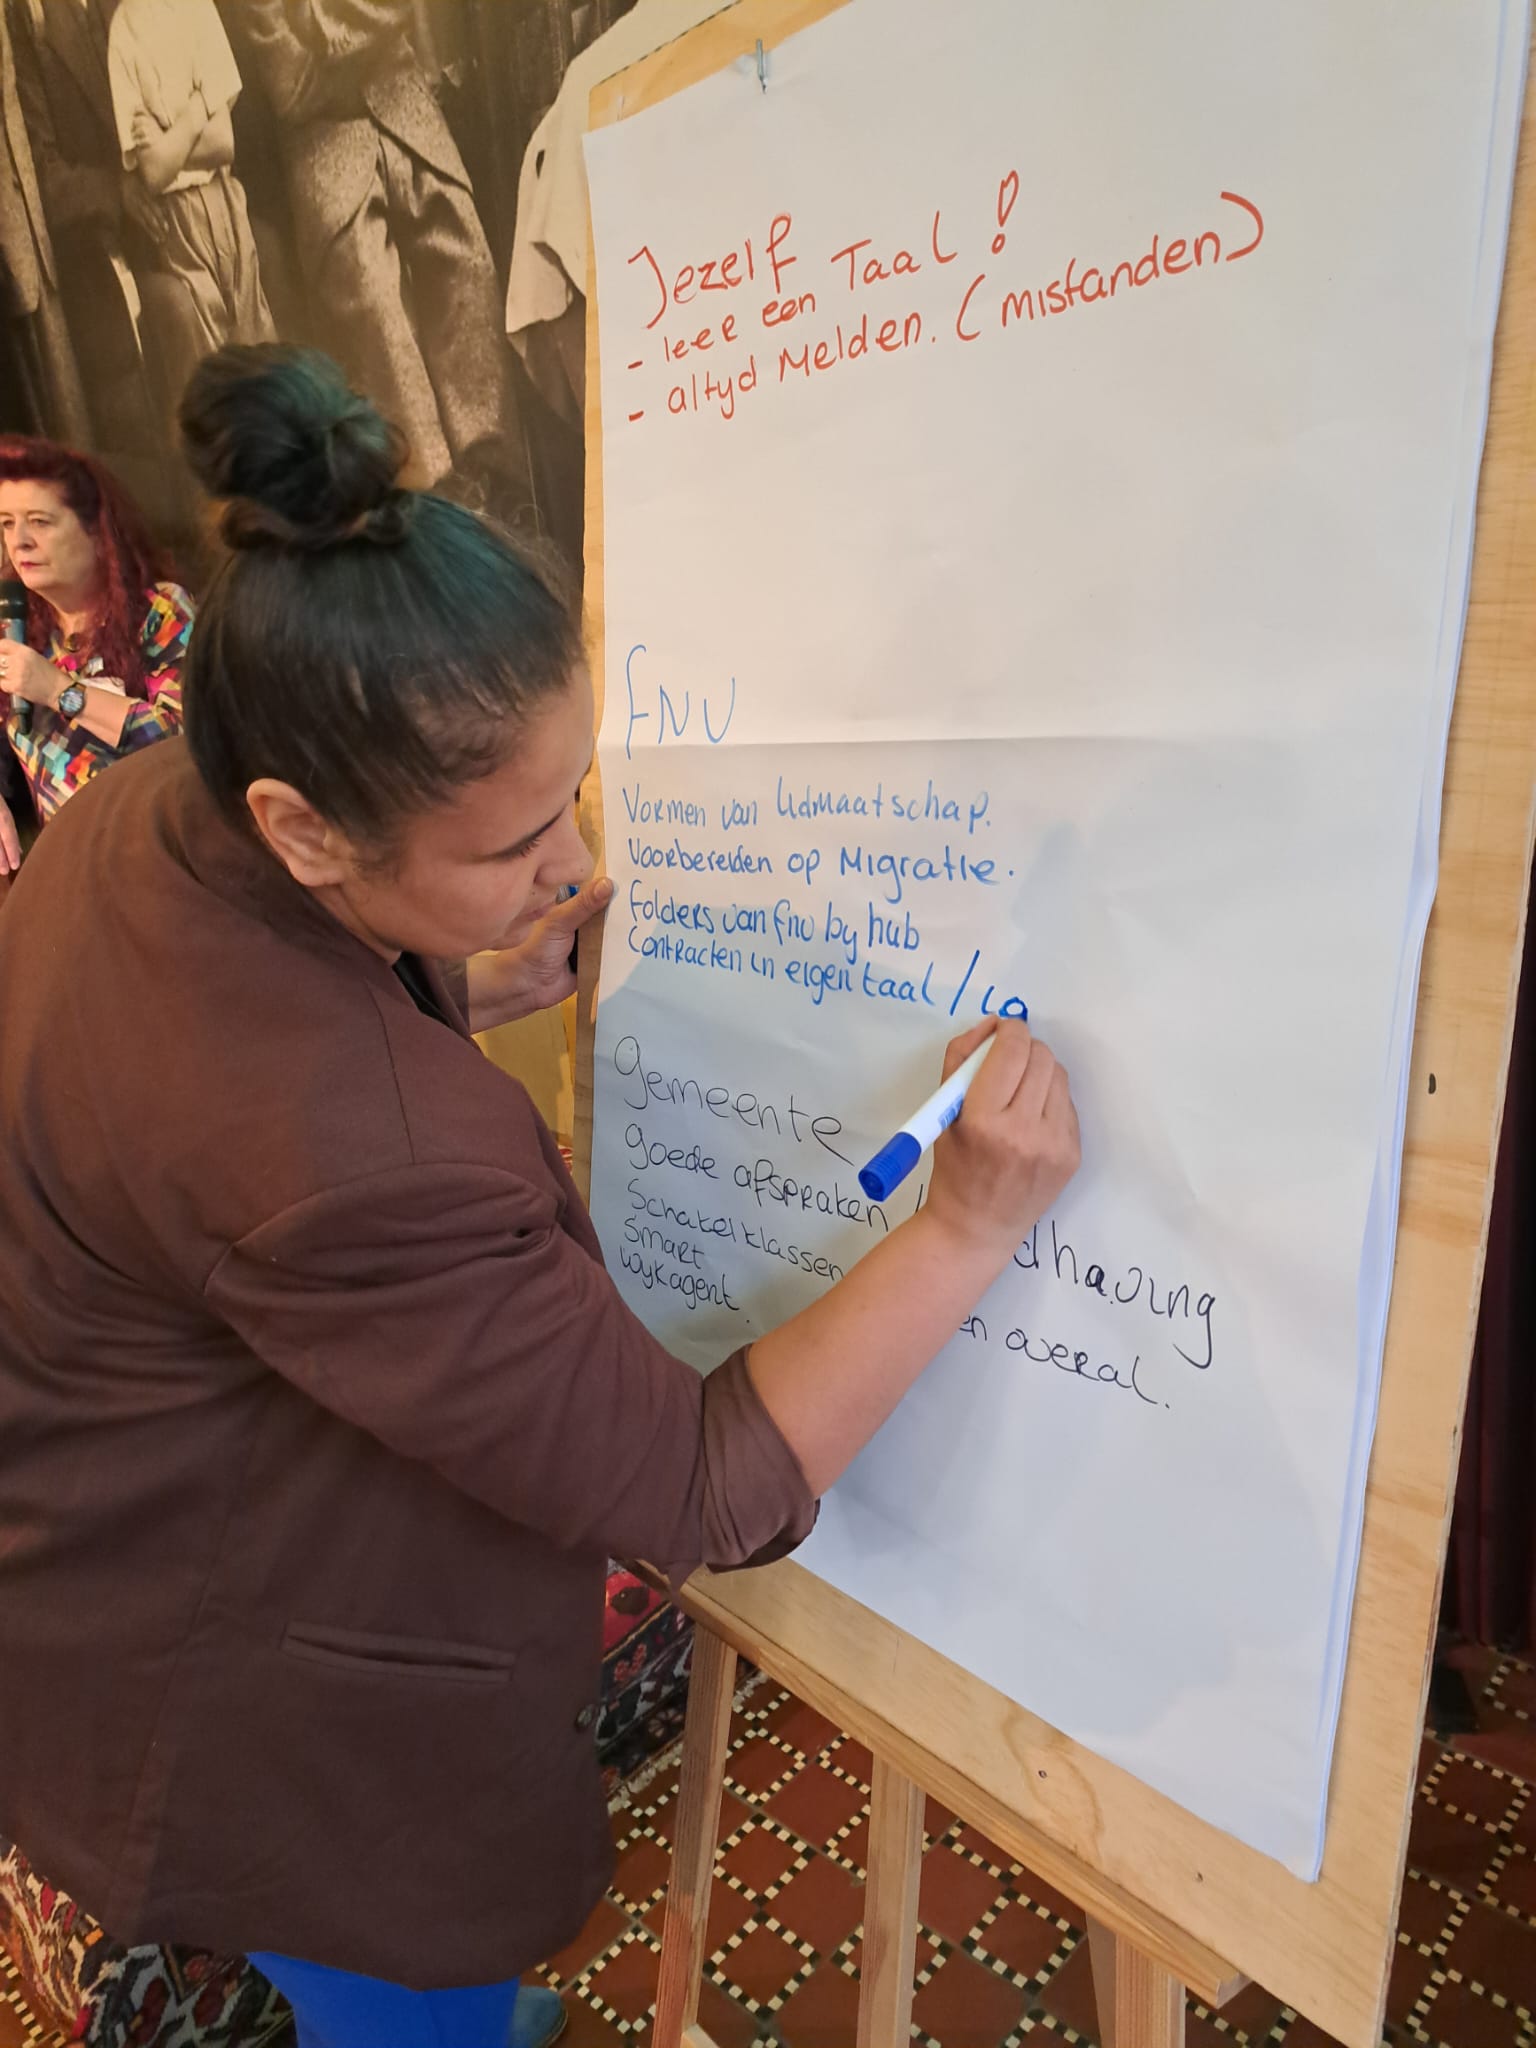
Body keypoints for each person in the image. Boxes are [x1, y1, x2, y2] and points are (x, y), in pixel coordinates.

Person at [0, 346, 1081, 2048]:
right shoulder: (362, 1161)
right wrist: (965, 1226)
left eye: (569, 796)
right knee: (400, 1998)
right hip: (237, 1690)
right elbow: (704, 1484)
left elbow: (252, 1049)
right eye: (510, 850)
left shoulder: (142, 803)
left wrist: (449, 971)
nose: (575, 867)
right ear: (305, 827)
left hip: (99, 1538)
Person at [0, 436, 192, 873]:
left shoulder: (160, 610)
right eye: (7, 524)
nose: (19, 542)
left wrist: (59, 691)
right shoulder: (15, 626)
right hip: (73, 870)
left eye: (40, 522)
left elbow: (185, 739)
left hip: (165, 860)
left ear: (96, 532)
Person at [108, 0, 275, 358]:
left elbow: (223, 143)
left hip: (225, 199)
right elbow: (154, 172)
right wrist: (200, 108)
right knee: (212, 350)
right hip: (177, 221)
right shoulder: (122, 33)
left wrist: (168, 141)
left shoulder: (197, 8)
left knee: (256, 334)